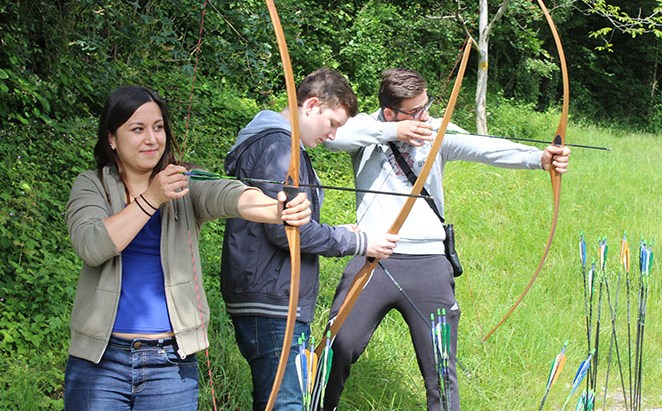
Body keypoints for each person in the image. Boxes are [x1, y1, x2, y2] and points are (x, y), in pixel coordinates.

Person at [321, 67, 571, 411]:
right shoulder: (364, 128)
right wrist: (393, 131)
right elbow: (336, 137)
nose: (425, 116)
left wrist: (538, 158)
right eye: (415, 111)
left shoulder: (434, 131)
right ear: (391, 111)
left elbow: (483, 147)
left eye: (427, 106)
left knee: (441, 368)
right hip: (373, 258)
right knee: (338, 346)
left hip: (428, 265)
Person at [64, 85, 311, 410]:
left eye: (158, 127)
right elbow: (92, 245)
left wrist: (278, 210)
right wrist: (152, 197)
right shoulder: (91, 185)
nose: (152, 139)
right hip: (99, 361)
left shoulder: (184, 184)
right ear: (112, 137)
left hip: (170, 363)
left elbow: (231, 195)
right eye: (137, 129)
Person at [220, 68, 399, 410]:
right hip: (273, 302)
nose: (332, 135)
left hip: (271, 296)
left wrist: (341, 232)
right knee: (286, 404)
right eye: (332, 123)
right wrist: (360, 243)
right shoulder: (278, 146)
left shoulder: (281, 145)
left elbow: (289, 221)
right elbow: (286, 229)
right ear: (312, 105)